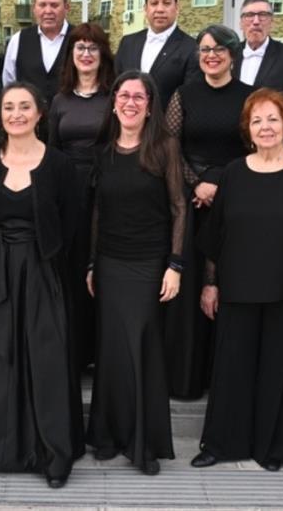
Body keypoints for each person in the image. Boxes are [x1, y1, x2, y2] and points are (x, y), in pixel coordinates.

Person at [191, 89, 283, 471]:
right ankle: (221, 444)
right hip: (237, 287)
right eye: (257, 120)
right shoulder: (234, 172)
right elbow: (216, 235)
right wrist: (210, 283)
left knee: (279, 370)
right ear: (247, 129)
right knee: (231, 369)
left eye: (272, 118)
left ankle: (273, 448)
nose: (265, 127)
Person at [0, 82, 81, 489]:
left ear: (39, 113)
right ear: (0, 114)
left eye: (24, 106)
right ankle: (3, 449)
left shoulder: (60, 166)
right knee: (1, 360)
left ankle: (53, 454)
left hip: (43, 270)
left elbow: (71, 226)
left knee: (45, 359)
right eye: (8, 107)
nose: (15, 114)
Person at [86, 71, 184, 476]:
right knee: (111, 351)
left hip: (148, 263)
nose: (129, 102)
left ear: (149, 105)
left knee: (140, 348)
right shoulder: (104, 150)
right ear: (113, 103)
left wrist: (175, 265)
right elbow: (97, 212)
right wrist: (91, 263)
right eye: (123, 96)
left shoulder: (164, 147)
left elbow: (180, 207)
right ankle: (108, 436)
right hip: (109, 262)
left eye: (138, 97)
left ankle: (143, 443)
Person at [163, 24, 254, 399]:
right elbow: (170, 145)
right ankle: (186, 378)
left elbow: (255, 145)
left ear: (233, 54)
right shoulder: (183, 95)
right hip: (191, 202)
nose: (210, 55)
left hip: (236, 202)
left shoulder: (250, 98)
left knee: (229, 287)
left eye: (218, 49)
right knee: (189, 292)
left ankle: (225, 378)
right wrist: (197, 182)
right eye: (203, 50)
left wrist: (221, 185)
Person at [48, 22, 115, 375]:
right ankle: (74, 351)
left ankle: (102, 352)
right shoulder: (59, 101)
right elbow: (51, 152)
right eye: (79, 48)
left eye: (93, 48)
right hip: (68, 197)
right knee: (73, 274)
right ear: (71, 55)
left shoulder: (114, 97)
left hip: (108, 193)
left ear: (102, 54)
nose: (86, 54)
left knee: (103, 272)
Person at [113, 0, 200, 106]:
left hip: (167, 124)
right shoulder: (128, 43)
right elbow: (116, 87)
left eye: (166, 3)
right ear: (145, 8)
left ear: (177, 7)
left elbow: (190, 98)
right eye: (154, 3)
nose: (160, 9)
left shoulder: (191, 48)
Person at [1, 0, 71, 101]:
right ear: (34, 8)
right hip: (29, 117)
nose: (48, 11)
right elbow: (8, 84)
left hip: (69, 117)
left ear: (66, 7)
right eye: (42, 5)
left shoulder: (79, 39)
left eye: (54, 5)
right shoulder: (18, 40)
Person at [234, 0, 283, 93]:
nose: (256, 21)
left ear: (272, 22)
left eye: (263, 15)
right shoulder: (229, 54)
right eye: (249, 15)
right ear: (241, 23)